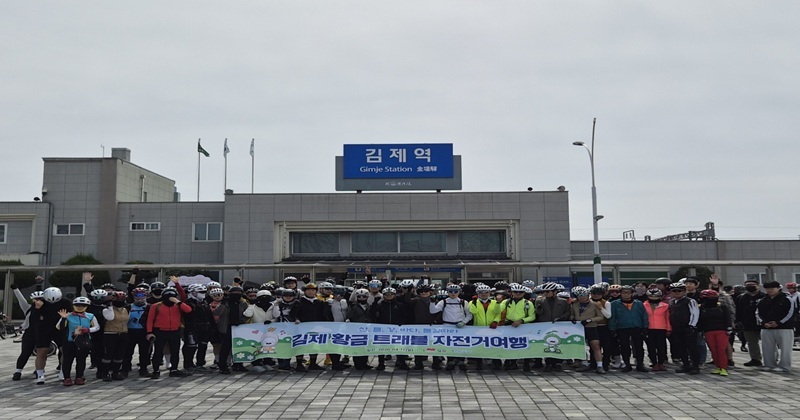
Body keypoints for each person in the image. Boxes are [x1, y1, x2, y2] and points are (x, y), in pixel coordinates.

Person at [146, 286, 192, 378]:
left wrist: (177, 302)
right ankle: (156, 370)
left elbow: (188, 310)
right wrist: (149, 332)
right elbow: (150, 319)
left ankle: (174, 369)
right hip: (160, 331)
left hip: (175, 331)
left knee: (175, 351)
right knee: (158, 351)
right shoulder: (156, 306)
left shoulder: (178, 306)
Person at [56, 297, 100, 386]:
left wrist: (88, 330)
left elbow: (97, 327)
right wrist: (63, 318)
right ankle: (67, 378)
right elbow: (58, 327)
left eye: (83, 305)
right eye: (77, 305)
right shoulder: (68, 315)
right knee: (67, 360)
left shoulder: (90, 316)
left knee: (81, 360)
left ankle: (79, 377)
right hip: (70, 341)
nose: (80, 307)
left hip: (83, 341)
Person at [431, 284, 473, 372]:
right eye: (450, 291)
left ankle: (461, 361)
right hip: (447, 326)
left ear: (459, 292)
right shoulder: (444, 302)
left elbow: (469, 315)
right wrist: (432, 302)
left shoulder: (463, 302)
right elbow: (433, 311)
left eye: (455, 292)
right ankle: (450, 361)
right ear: (447, 292)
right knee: (449, 344)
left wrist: (463, 322)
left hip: (460, 326)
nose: (453, 293)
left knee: (461, 344)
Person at [757, 281, 795, 373]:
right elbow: (757, 313)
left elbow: (790, 313)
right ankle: (769, 364)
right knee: (767, 347)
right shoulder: (762, 300)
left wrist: (779, 322)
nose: (770, 290)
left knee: (785, 348)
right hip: (766, 328)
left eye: (772, 288)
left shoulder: (787, 299)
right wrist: (763, 323)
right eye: (767, 289)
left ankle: (785, 366)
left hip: (784, 328)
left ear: (778, 288)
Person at [608, 286, 649, 372]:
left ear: (632, 293)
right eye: (623, 292)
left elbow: (644, 315)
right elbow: (612, 317)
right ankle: (627, 364)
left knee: (639, 347)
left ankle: (640, 364)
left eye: (628, 292)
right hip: (622, 327)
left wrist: (645, 326)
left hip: (636, 327)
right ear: (620, 293)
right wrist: (612, 328)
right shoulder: (614, 304)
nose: (626, 294)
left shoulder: (638, 303)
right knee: (624, 346)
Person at [295, 283, 335, 371]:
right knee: (300, 345)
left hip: (316, 328)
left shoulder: (319, 302)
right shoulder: (299, 302)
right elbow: (293, 314)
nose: (311, 292)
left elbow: (324, 315)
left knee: (314, 345)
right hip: (301, 328)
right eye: (308, 290)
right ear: (304, 291)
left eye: (313, 290)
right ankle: (299, 364)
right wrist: (296, 319)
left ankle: (313, 363)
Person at [370, 287, 410, 371]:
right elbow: (372, 314)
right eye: (386, 295)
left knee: (399, 346)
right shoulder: (380, 305)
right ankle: (381, 363)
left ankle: (401, 362)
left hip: (397, 329)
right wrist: (374, 303)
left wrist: (401, 323)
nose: (389, 296)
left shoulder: (399, 305)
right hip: (383, 329)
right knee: (381, 347)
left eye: (391, 294)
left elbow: (405, 316)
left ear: (394, 295)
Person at [403, 283, 440, 370]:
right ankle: (418, 363)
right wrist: (409, 291)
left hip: (432, 326)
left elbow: (440, 311)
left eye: (426, 291)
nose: (424, 293)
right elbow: (407, 301)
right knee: (418, 346)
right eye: (421, 291)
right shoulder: (416, 300)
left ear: (430, 292)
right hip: (419, 326)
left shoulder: (435, 300)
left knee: (435, 345)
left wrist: (436, 320)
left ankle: (436, 363)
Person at [10, 281, 43, 381]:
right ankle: (17, 371)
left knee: (41, 353)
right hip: (29, 333)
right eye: (35, 299)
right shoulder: (28, 308)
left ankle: (39, 370)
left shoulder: (47, 309)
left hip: (42, 334)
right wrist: (16, 289)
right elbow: (21, 300)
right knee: (25, 352)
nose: (37, 301)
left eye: (40, 299)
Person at [499, 283, 536, 371]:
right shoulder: (506, 302)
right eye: (515, 292)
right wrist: (497, 302)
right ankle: (511, 362)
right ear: (512, 292)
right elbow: (499, 312)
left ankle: (526, 364)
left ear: (524, 293)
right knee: (509, 345)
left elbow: (532, 316)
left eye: (520, 292)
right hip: (509, 326)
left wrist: (521, 321)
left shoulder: (528, 303)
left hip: (523, 327)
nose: (518, 293)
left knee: (525, 346)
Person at [534, 282, 571, 372]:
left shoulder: (563, 301)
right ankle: (548, 363)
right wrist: (538, 307)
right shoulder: (541, 301)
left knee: (559, 343)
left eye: (548, 291)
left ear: (554, 292)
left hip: (559, 325)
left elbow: (568, 312)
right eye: (544, 292)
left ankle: (558, 363)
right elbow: (538, 314)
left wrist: (562, 318)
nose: (545, 293)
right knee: (548, 343)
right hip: (546, 325)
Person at [213, 286, 249, 374]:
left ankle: (238, 364)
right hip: (226, 327)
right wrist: (222, 304)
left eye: (238, 293)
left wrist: (241, 321)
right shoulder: (225, 303)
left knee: (239, 347)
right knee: (225, 347)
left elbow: (247, 314)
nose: (236, 295)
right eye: (234, 293)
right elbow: (216, 313)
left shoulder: (243, 303)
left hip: (239, 327)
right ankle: (222, 366)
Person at [570, 287, 606, 374]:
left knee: (595, 345)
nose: (581, 297)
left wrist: (590, 320)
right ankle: (585, 363)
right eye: (579, 295)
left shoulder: (594, 304)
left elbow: (600, 316)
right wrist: (572, 318)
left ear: (588, 295)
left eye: (583, 295)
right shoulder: (574, 304)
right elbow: (572, 313)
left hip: (591, 327)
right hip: (579, 327)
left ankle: (600, 365)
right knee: (581, 346)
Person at [697, 289, 732, 376]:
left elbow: (727, 317)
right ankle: (718, 367)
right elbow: (700, 320)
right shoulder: (701, 307)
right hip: (708, 331)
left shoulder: (722, 306)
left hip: (722, 331)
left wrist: (729, 328)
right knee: (713, 350)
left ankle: (723, 368)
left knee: (721, 350)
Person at [182, 284, 215, 373]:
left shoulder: (205, 302)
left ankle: (200, 364)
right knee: (191, 347)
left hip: (205, 329)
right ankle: (188, 364)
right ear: (193, 293)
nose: (203, 294)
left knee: (203, 346)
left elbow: (209, 316)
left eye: (204, 292)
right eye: (201, 292)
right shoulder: (188, 303)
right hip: (192, 328)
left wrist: (212, 327)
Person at [668, 282, 700, 374]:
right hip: (676, 328)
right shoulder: (671, 302)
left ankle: (695, 367)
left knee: (692, 348)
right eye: (674, 291)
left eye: (679, 290)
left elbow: (695, 313)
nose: (677, 292)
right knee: (680, 347)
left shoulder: (690, 301)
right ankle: (686, 365)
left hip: (688, 328)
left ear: (684, 291)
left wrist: (691, 326)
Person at [468, 283, 501, 370]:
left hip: (492, 327)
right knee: (479, 346)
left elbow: (498, 313)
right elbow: (473, 312)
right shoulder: (472, 302)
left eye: (486, 292)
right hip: (479, 327)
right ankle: (479, 363)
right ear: (477, 293)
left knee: (494, 346)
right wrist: (474, 303)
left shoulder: (494, 302)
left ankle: (496, 362)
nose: (483, 294)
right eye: (481, 292)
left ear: (489, 293)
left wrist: (495, 321)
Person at [243, 289, 275, 373]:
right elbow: (247, 314)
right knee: (256, 347)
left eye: (267, 298)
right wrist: (251, 305)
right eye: (261, 298)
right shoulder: (253, 306)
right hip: (255, 330)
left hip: (269, 330)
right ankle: (256, 364)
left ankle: (267, 362)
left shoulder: (273, 306)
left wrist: (271, 321)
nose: (264, 299)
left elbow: (276, 316)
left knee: (268, 346)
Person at [735, 279, 765, 367]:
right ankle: (755, 359)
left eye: (752, 284)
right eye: (747, 285)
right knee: (751, 342)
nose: (750, 286)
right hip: (747, 324)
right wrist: (737, 321)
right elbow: (738, 310)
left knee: (768, 342)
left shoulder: (764, 296)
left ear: (758, 285)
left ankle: (772, 359)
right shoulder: (741, 297)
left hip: (763, 324)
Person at [100, 291, 129, 381]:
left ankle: (115, 373)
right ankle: (105, 373)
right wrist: (110, 306)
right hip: (110, 333)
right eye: (117, 299)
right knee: (109, 354)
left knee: (119, 354)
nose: (120, 301)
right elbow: (110, 317)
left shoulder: (125, 309)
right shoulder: (106, 309)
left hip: (123, 333)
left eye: (122, 299)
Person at [123, 287, 151, 378]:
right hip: (130, 331)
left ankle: (143, 369)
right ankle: (125, 369)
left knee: (144, 352)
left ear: (146, 296)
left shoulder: (149, 307)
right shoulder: (128, 307)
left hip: (144, 331)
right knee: (127, 351)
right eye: (137, 296)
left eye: (142, 295)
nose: (140, 298)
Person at [272, 288, 301, 371]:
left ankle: (287, 364)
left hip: (292, 328)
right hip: (280, 328)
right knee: (280, 345)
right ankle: (281, 364)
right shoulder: (278, 304)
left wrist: (297, 319)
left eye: (290, 296)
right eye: (286, 296)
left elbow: (300, 313)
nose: (288, 297)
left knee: (289, 346)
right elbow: (276, 315)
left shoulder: (297, 304)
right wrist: (276, 305)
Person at [643, 288, 671, 372]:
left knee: (661, 347)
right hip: (649, 328)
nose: (653, 298)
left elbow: (667, 318)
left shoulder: (665, 306)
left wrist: (668, 329)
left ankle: (661, 363)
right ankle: (654, 363)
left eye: (655, 296)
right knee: (651, 347)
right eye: (651, 296)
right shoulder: (643, 305)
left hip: (661, 328)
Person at [347, 289, 374, 370]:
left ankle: (364, 363)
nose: (361, 298)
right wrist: (351, 308)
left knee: (366, 347)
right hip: (356, 330)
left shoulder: (369, 306)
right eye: (359, 297)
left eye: (364, 296)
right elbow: (349, 316)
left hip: (367, 329)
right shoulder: (354, 306)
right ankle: (358, 364)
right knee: (357, 347)